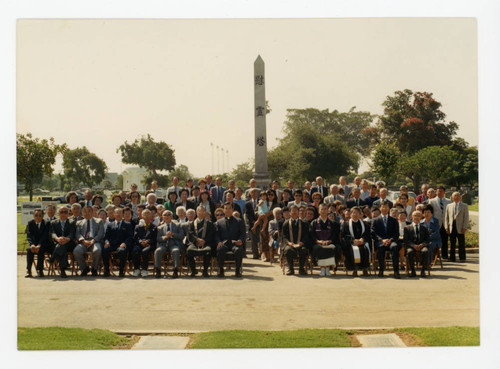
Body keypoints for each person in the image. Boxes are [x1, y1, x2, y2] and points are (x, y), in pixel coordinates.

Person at [371, 201, 401, 279]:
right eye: (383, 207)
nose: (384, 208)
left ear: (389, 208)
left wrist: (390, 240)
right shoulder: (375, 220)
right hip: (381, 242)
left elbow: (396, 233)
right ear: (380, 208)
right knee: (380, 248)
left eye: (386, 207)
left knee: (395, 247)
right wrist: (381, 240)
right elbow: (373, 232)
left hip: (391, 241)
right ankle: (381, 270)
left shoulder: (394, 220)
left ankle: (396, 271)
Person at [215, 202, 246, 277]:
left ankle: (237, 270)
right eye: (226, 208)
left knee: (239, 250)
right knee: (220, 249)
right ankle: (221, 270)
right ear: (224, 210)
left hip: (235, 244)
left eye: (229, 208)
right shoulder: (219, 222)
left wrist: (240, 240)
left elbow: (243, 234)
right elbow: (216, 235)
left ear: (232, 209)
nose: (228, 210)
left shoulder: (239, 221)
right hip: (224, 244)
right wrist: (218, 242)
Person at [102, 207, 134, 277]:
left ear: (122, 214)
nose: (118, 214)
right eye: (116, 213)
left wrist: (125, 243)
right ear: (114, 214)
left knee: (122, 251)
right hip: (112, 244)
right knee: (105, 250)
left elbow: (130, 237)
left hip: (122, 245)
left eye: (120, 213)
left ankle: (121, 271)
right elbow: (106, 236)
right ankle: (107, 271)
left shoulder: (128, 224)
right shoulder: (110, 224)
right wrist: (107, 242)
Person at [73, 205, 105, 277]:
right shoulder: (79, 222)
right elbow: (77, 234)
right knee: (76, 251)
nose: (87, 213)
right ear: (82, 213)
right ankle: (84, 268)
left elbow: (100, 233)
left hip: (94, 241)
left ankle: (94, 268)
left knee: (98, 250)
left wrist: (93, 240)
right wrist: (83, 240)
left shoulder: (98, 221)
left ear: (92, 212)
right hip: (83, 242)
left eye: (89, 211)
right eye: (85, 211)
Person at [311, 203, 341, 277]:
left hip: (330, 242)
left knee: (332, 247)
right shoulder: (314, 223)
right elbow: (312, 235)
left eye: (325, 209)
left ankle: (327, 268)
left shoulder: (333, 223)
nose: (323, 211)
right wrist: (318, 241)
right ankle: (322, 268)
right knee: (318, 248)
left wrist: (329, 241)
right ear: (319, 211)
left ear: (328, 211)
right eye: (322, 209)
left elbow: (335, 235)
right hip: (318, 243)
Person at [186, 206, 216, 277]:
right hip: (195, 243)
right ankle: (193, 270)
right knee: (189, 250)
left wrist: (204, 240)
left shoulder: (209, 224)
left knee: (208, 250)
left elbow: (211, 234)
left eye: (203, 211)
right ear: (196, 212)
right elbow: (190, 234)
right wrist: (197, 239)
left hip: (206, 242)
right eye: (200, 211)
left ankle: (205, 271)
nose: (201, 213)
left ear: (205, 212)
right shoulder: (192, 223)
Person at [341, 206, 371, 276]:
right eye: (353, 213)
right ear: (350, 214)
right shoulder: (346, 224)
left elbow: (367, 234)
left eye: (357, 213)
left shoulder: (365, 224)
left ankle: (365, 269)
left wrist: (362, 239)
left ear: (360, 214)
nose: (355, 214)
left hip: (362, 242)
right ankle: (354, 269)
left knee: (365, 249)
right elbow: (344, 235)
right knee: (351, 250)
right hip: (350, 243)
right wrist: (353, 240)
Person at [47, 206, 76, 278]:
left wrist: (67, 239)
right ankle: (62, 270)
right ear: (58, 213)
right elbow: (52, 233)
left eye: (65, 212)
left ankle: (53, 258)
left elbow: (72, 233)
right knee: (61, 247)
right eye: (61, 212)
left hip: (69, 243)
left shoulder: (72, 222)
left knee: (61, 247)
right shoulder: (53, 222)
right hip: (57, 242)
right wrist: (57, 239)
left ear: (68, 213)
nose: (63, 214)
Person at [154, 210, 184, 278]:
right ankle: (158, 270)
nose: (167, 216)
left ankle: (175, 270)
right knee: (158, 251)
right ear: (162, 217)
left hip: (174, 244)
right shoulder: (160, 227)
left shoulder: (178, 225)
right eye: (165, 215)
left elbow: (181, 236)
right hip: (164, 245)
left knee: (176, 251)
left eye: (168, 215)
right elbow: (158, 238)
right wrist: (165, 237)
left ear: (171, 216)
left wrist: (173, 234)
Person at [282, 205, 310, 275]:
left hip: (300, 244)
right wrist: (289, 243)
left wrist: (302, 242)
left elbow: (306, 235)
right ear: (290, 213)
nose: (294, 212)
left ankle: (301, 269)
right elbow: (283, 236)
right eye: (292, 211)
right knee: (288, 250)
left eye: (296, 211)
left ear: (298, 212)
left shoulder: (304, 223)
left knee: (303, 250)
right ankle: (291, 269)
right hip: (290, 244)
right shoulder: (286, 223)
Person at [444, 192, 469, 262]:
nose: (457, 197)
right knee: (452, 243)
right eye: (455, 196)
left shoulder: (464, 206)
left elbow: (466, 217)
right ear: (452, 197)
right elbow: (446, 217)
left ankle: (462, 258)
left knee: (461, 243)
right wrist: (446, 227)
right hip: (452, 226)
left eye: (458, 195)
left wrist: (465, 227)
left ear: (460, 197)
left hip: (460, 227)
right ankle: (452, 258)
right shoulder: (449, 206)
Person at [25, 209, 50, 277]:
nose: (38, 217)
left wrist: (39, 245)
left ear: (42, 216)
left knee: (40, 250)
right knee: (29, 250)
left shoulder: (46, 223)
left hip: (43, 243)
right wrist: (32, 244)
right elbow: (29, 235)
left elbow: (45, 236)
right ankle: (28, 271)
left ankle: (40, 270)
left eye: (40, 215)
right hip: (33, 243)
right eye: (36, 215)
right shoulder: (30, 223)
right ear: (33, 216)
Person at [404, 210, 430, 277]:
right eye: (415, 216)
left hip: (422, 245)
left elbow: (427, 240)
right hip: (411, 246)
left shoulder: (424, 228)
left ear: (421, 217)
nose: (416, 217)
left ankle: (423, 271)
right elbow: (406, 240)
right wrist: (413, 245)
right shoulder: (407, 228)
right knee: (409, 252)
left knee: (425, 251)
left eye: (418, 216)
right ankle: (412, 271)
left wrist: (422, 245)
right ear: (411, 217)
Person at [428, 186, 452, 259]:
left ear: (444, 192)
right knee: (435, 238)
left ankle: (444, 255)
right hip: (436, 223)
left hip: (445, 223)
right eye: (438, 191)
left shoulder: (449, 201)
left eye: (441, 191)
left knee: (445, 239)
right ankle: (434, 255)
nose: (439, 192)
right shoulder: (432, 201)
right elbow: (430, 212)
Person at [132, 209, 157, 277]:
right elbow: (136, 237)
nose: (146, 216)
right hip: (140, 244)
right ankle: (137, 269)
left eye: (148, 214)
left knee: (144, 251)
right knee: (135, 250)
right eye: (144, 214)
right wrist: (141, 242)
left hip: (150, 245)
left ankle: (144, 270)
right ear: (142, 216)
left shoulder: (154, 227)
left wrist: (148, 241)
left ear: (151, 215)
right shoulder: (138, 226)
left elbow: (155, 238)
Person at [245, 188, 260, 259]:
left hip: (260, 223)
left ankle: (262, 253)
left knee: (261, 239)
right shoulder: (248, 203)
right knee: (254, 240)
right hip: (252, 224)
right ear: (250, 194)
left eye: (255, 192)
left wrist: (258, 221)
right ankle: (255, 254)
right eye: (252, 192)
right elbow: (247, 214)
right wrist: (253, 221)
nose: (254, 194)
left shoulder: (261, 202)